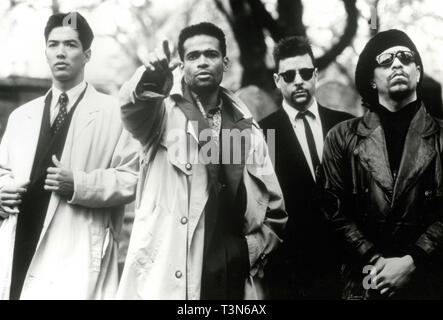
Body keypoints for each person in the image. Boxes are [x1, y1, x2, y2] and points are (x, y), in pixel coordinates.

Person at [116, 22, 287, 300]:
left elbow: (276, 208)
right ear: (181, 65)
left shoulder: (249, 127)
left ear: (225, 62)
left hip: (230, 273)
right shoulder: (161, 114)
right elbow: (131, 108)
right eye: (193, 56)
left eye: (211, 54)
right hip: (172, 269)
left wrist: (248, 251)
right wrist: (149, 79)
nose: (203, 62)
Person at [0, 12, 139, 300]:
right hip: (20, 242)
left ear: (87, 54)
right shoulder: (21, 116)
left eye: (71, 45)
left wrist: (79, 184)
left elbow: (131, 178)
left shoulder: (115, 114)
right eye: (53, 44)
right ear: (46, 52)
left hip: (75, 249)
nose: (61, 52)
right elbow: (3, 171)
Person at [322, 29, 443, 299]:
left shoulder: (441, 136)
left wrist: (411, 261)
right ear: (372, 80)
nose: (397, 64)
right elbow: (332, 210)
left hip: (429, 281)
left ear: (418, 73)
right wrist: (377, 261)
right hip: (365, 282)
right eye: (386, 60)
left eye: (406, 57)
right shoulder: (342, 137)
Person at [259, 36, 353, 299]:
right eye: (288, 75)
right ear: (278, 81)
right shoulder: (263, 134)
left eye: (304, 72)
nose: (298, 80)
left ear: (315, 74)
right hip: (291, 273)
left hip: (345, 268)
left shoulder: (346, 126)